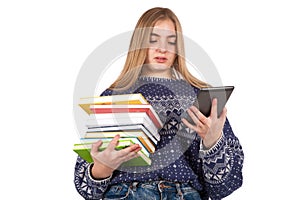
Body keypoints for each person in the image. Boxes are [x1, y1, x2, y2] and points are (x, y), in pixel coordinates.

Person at [74, 7, 244, 200]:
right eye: (153, 40)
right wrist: (103, 168)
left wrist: (213, 142)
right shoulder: (113, 97)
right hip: (127, 193)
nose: (162, 49)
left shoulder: (200, 97)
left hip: (184, 194)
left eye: (171, 42)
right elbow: (85, 186)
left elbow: (226, 186)